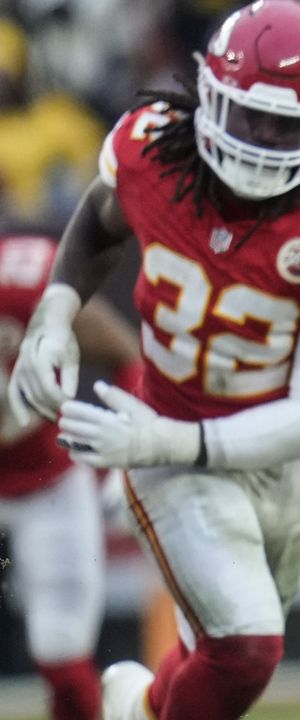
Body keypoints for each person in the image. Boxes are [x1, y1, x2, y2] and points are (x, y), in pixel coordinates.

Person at [6, 2, 300, 719]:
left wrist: (169, 440)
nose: (267, 139)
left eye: (289, 124)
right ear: (209, 95)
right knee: (246, 645)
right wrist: (56, 315)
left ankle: (134, 709)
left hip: (273, 453)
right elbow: (98, 225)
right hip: (167, 437)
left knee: (223, 654)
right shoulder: (150, 150)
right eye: (252, 115)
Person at [1, 232, 140, 720]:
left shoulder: (25, 285)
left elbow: (125, 352)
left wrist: (122, 463)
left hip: (47, 486)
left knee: (61, 650)